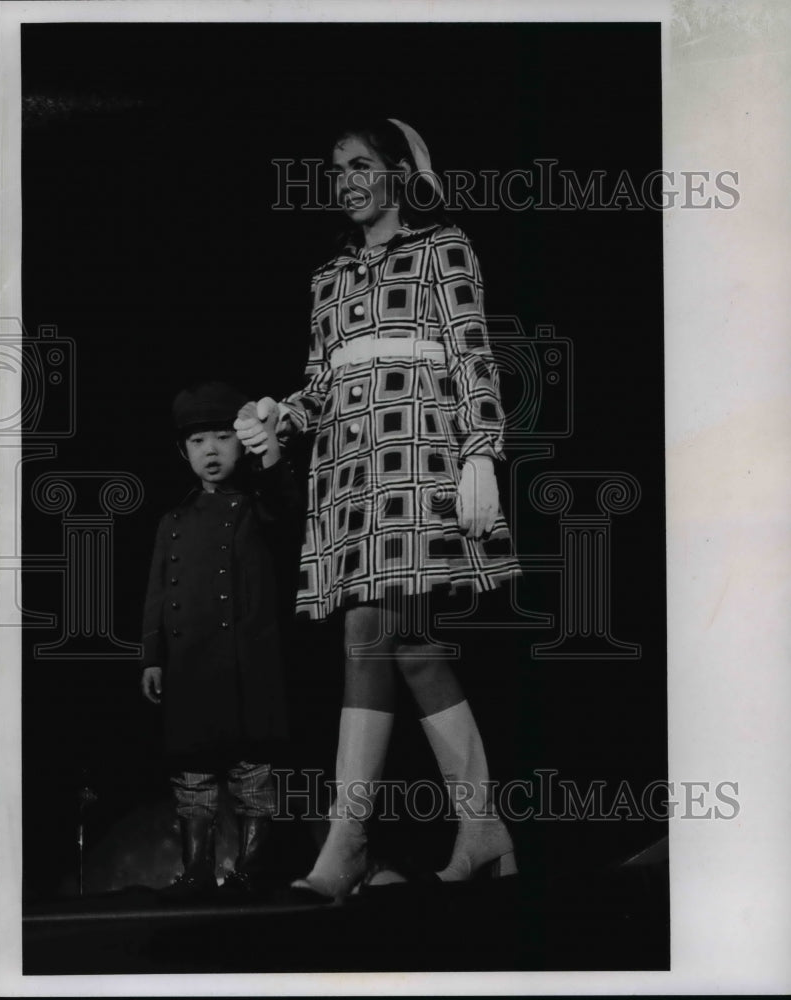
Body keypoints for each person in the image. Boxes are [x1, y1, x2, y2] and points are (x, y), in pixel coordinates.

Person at [235, 118, 522, 902]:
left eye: (362, 165)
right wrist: (282, 416)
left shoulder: (443, 249)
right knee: (400, 642)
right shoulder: (327, 277)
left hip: (422, 464)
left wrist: (481, 451)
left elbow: (471, 354)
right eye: (336, 170)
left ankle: (351, 841)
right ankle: (479, 827)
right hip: (351, 478)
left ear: (397, 173)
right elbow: (321, 382)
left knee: (382, 633)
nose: (348, 180)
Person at [140, 380, 299, 900]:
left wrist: (270, 449)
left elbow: (283, 497)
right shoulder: (174, 520)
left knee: (251, 772)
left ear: (241, 443)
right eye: (197, 442)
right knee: (192, 775)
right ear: (182, 452)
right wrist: (152, 657)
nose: (210, 451)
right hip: (188, 663)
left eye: (221, 438)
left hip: (246, 660)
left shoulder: (260, 508)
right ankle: (195, 874)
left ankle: (253, 872)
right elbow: (158, 595)